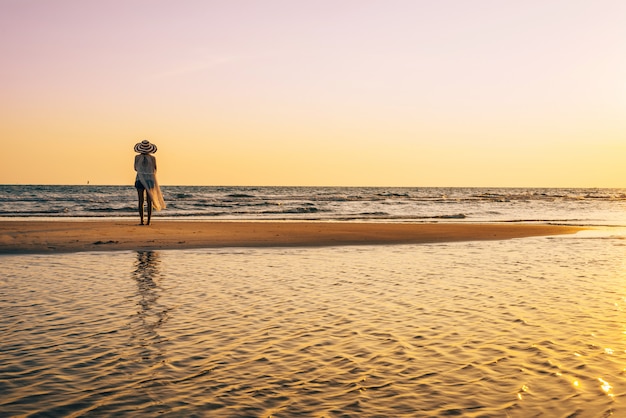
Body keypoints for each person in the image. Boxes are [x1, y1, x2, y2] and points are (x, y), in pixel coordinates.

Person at [134, 140, 166, 225]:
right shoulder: (152, 158)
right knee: (149, 201)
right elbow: (155, 169)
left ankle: (141, 221)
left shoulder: (137, 157)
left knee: (140, 201)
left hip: (139, 179)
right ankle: (148, 221)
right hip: (150, 180)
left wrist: (142, 170)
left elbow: (135, 168)